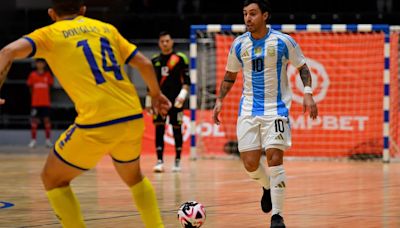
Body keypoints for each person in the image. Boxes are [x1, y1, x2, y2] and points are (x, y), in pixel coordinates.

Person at [0, 0, 170, 227]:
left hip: (97, 122)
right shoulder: (106, 28)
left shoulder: (49, 33)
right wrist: (156, 94)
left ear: (51, 13)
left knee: (52, 179)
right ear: (83, 10)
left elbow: (7, 52)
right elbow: (145, 63)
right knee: (134, 178)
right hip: (132, 116)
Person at [212, 0, 318, 227]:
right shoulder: (239, 44)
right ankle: (267, 186)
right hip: (248, 110)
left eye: (252, 14)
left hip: (276, 110)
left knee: (275, 158)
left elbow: (303, 67)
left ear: (265, 15)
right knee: (250, 164)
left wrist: (308, 92)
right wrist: (219, 100)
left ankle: (277, 216)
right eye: (245, 14)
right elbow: (230, 76)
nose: (247, 18)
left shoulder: (283, 41)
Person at [147, 31, 190, 173]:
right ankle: (159, 161)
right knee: (159, 128)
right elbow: (150, 83)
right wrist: (149, 102)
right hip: (160, 102)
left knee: (176, 128)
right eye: (162, 41)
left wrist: (182, 96)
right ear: (159, 43)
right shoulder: (154, 60)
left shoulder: (180, 58)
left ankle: (177, 160)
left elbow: (186, 82)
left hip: (176, 101)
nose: (165, 43)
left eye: (167, 41)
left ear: (171, 42)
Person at [27, 58, 54, 148]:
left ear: (44, 64)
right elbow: (30, 88)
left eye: (42, 63)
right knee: (34, 122)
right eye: (38, 63)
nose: (40, 65)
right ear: (36, 64)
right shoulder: (32, 75)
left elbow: (50, 88)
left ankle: (48, 141)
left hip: (45, 103)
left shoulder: (48, 75)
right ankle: (33, 141)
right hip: (35, 103)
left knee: (47, 121)